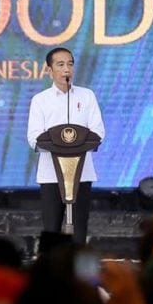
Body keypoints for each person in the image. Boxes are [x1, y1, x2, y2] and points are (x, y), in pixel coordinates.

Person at [27, 46, 105, 244]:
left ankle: (77, 263)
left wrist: (77, 141)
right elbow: (34, 137)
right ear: (49, 70)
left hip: (82, 173)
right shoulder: (40, 100)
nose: (66, 69)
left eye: (70, 64)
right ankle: (49, 263)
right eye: (60, 65)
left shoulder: (87, 96)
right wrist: (59, 142)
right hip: (50, 174)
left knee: (80, 228)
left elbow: (98, 132)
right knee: (51, 228)